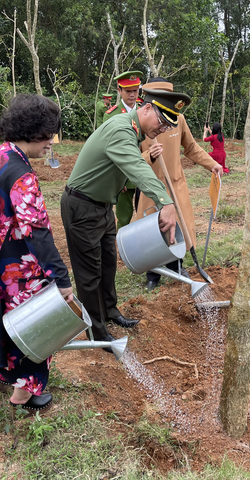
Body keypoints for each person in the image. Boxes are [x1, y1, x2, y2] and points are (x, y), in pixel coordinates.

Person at [0, 94, 71, 413]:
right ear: (35, 133)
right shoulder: (22, 174)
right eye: (48, 136)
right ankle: (23, 394)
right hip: (12, 262)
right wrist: (60, 279)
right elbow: (37, 231)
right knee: (33, 324)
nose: (50, 143)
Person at [61, 89, 184, 347]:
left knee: (107, 265)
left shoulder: (133, 131)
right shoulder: (121, 129)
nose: (162, 129)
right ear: (147, 108)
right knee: (89, 273)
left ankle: (110, 310)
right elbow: (136, 168)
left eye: (166, 126)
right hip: (83, 207)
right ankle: (96, 331)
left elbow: (126, 166)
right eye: (161, 121)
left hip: (103, 206)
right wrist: (166, 202)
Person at [136, 77, 223, 291]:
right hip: (149, 185)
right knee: (152, 229)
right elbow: (131, 158)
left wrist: (212, 164)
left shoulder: (179, 120)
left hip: (175, 184)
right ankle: (153, 273)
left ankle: (177, 265)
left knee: (180, 227)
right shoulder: (137, 122)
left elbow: (192, 148)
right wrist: (149, 156)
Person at [103, 71, 144, 229]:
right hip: (124, 178)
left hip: (142, 173)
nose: (132, 95)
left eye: (135, 90)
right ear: (119, 90)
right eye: (128, 91)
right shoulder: (111, 115)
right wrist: (117, 178)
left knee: (145, 215)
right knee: (124, 218)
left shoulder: (144, 111)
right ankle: (122, 250)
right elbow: (107, 148)